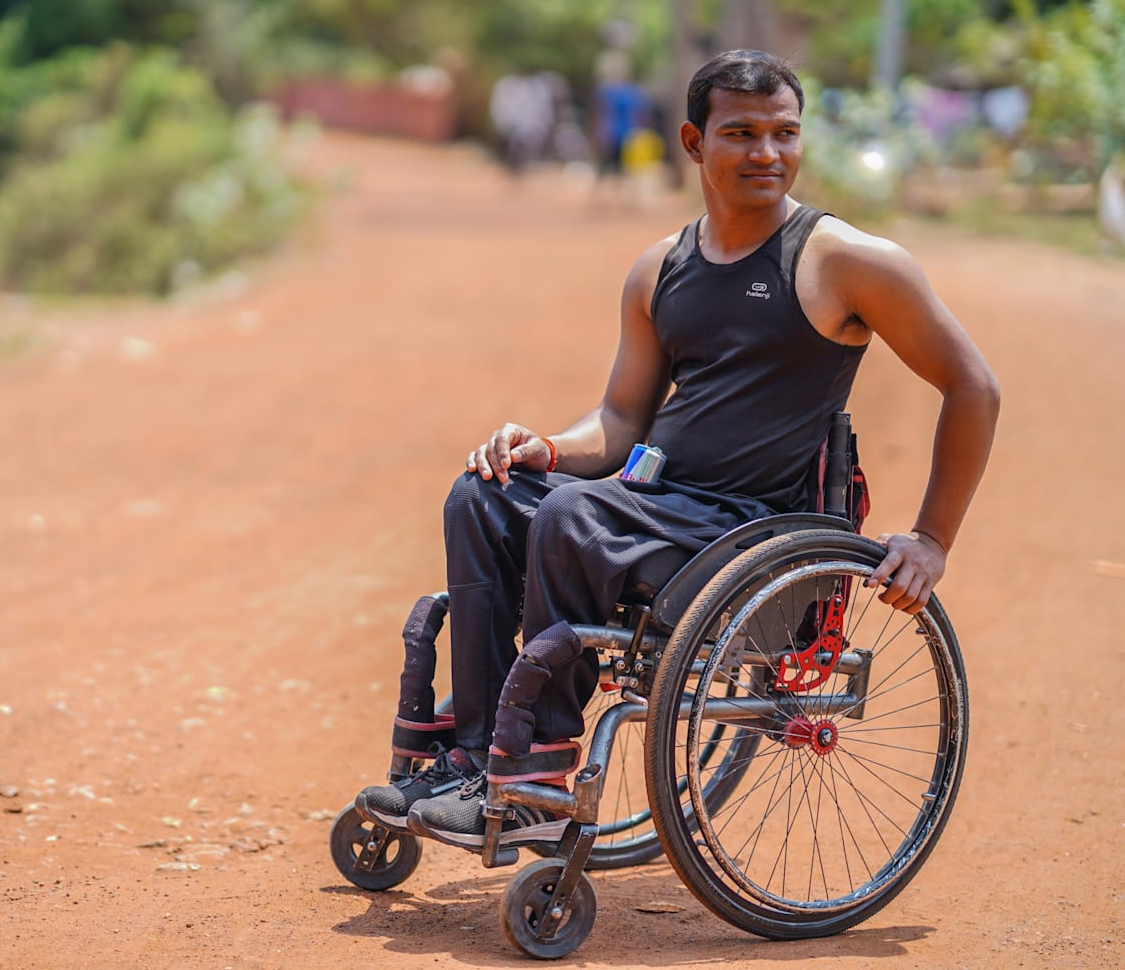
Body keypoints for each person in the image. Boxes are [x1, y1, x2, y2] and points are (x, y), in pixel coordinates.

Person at [356, 49, 1000, 853]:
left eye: (784, 133)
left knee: (572, 516)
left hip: (750, 532)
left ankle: (533, 776)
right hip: (653, 502)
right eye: (741, 133)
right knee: (483, 493)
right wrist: (544, 447)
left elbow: (974, 387)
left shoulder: (846, 262)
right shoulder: (661, 269)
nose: (767, 153)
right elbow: (622, 423)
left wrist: (932, 539)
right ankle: (470, 756)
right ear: (694, 143)